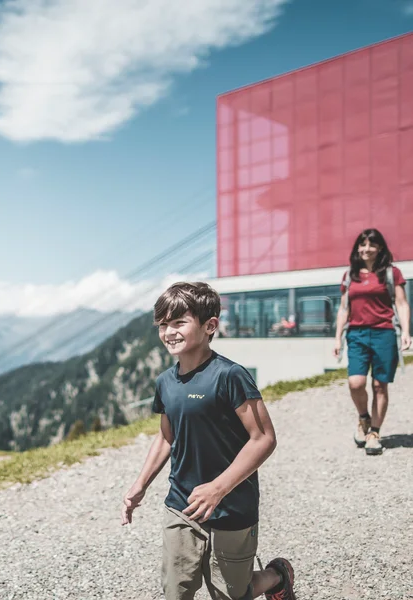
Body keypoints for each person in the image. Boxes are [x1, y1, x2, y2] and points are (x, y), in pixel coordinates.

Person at [121, 282, 295, 600]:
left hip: (232, 504)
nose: (169, 332)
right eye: (163, 324)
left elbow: (264, 439)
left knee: (231, 593)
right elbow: (166, 437)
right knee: (176, 590)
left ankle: (277, 576)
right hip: (181, 503)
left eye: (179, 322)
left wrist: (218, 488)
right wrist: (140, 485)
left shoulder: (230, 376)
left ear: (210, 326)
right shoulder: (165, 382)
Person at [333, 228, 411, 456]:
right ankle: (364, 418)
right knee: (356, 383)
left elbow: (402, 303)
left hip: (384, 333)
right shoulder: (350, 276)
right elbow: (343, 309)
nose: (366, 249)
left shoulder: (391, 273)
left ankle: (374, 433)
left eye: (371, 245)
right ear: (358, 248)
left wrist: (406, 332)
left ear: (380, 248)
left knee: (379, 385)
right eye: (363, 244)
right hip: (356, 335)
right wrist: (337, 338)